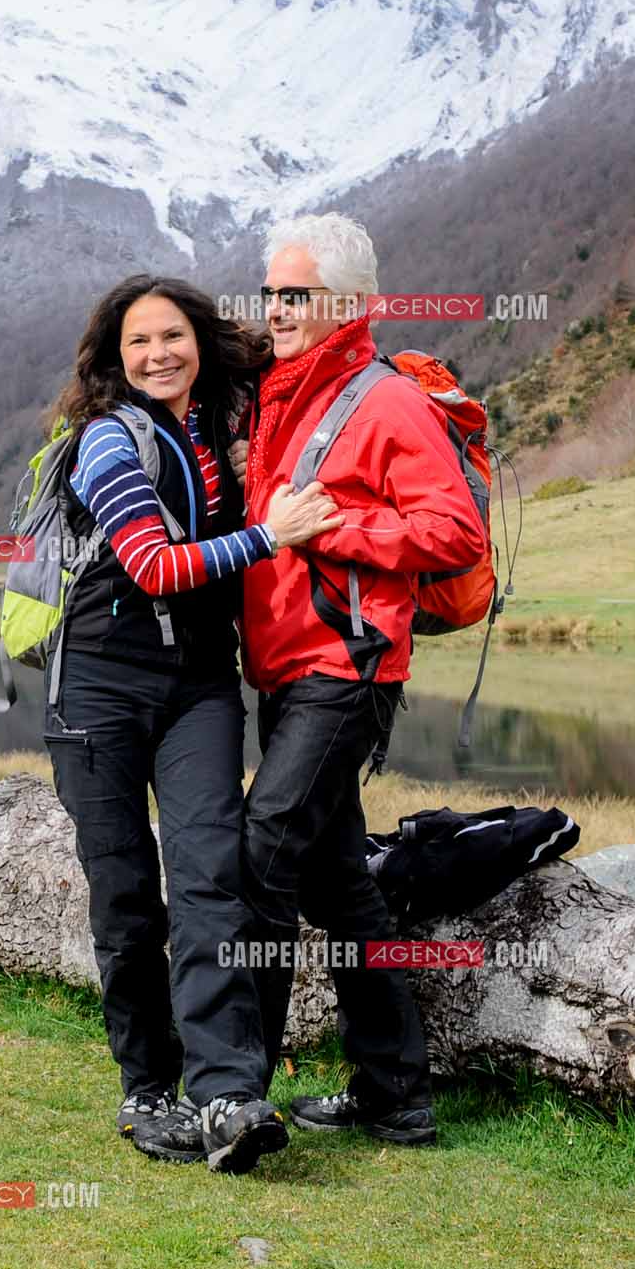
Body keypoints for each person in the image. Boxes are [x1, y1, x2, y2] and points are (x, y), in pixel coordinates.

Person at [195, 213, 489, 1174]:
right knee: (342, 888)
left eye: (296, 295)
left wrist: (336, 533)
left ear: (351, 306)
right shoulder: (282, 393)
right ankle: (396, 1094)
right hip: (286, 674)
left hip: (347, 670)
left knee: (262, 850)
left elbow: (453, 537)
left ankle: (237, 1091)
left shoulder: (387, 402)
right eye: (271, 292)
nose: (276, 309)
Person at [43, 274, 330, 1163]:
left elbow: (301, 348)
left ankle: (229, 1097)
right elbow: (156, 567)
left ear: (198, 342)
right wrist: (269, 537)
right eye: (139, 342)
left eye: (174, 335)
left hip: (199, 687)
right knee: (126, 897)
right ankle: (145, 1092)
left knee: (210, 876)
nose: (159, 353)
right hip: (98, 687)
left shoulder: (218, 426)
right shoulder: (103, 442)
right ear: (113, 359)